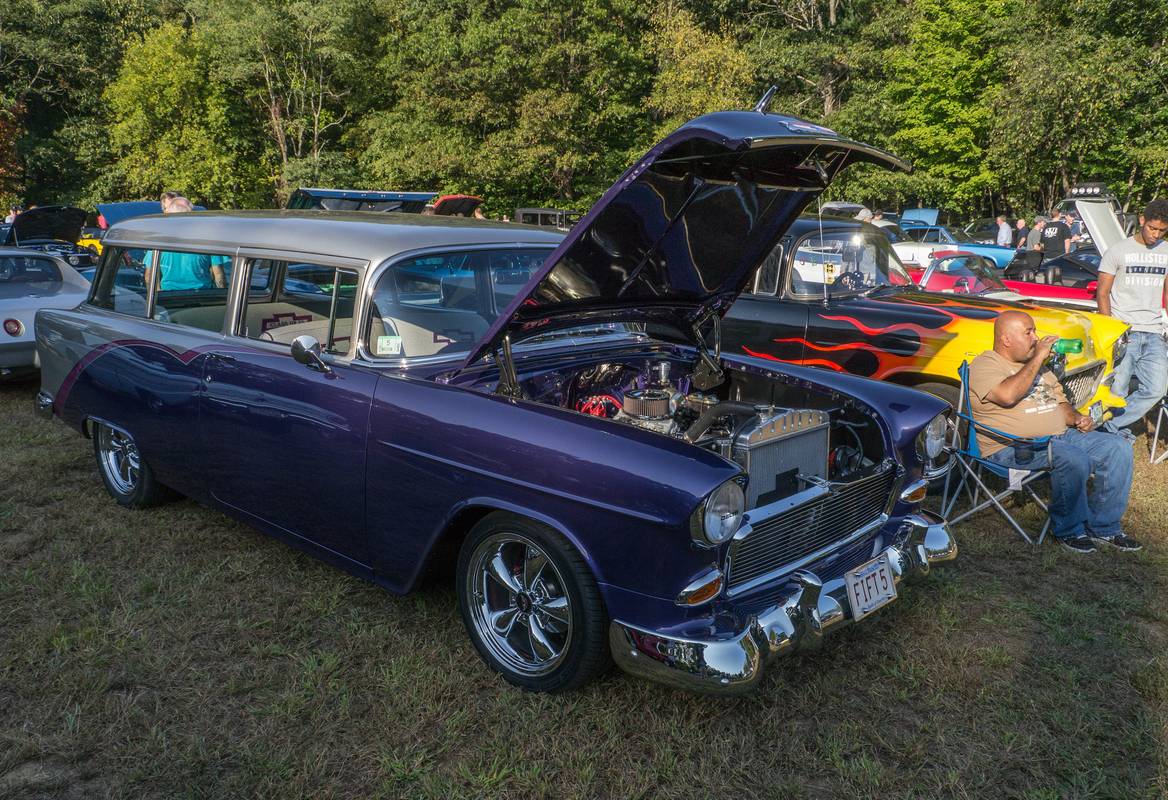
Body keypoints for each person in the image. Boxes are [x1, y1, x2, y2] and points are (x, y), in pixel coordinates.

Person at [969, 309, 1138, 553]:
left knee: (1118, 447)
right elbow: (1007, 396)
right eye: (1028, 332)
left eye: (1034, 331)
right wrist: (1038, 358)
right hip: (1014, 447)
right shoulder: (985, 364)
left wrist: (1076, 418)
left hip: (1059, 437)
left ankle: (1105, 527)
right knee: (1071, 458)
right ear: (1006, 339)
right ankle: (1070, 530)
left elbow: (1060, 402)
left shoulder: (1039, 368)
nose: (1036, 338)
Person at [1096, 199, 1168, 430]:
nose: (1156, 235)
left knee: (1157, 389)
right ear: (1141, 221)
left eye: (1162, 231)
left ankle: (1109, 427)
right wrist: (1111, 331)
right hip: (1124, 330)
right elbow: (1103, 293)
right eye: (1152, 228)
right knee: (1116, 389)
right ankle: (1105, 435)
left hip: (1154, 332)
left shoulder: (1166, 251)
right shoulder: (1118, 250)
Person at [145, 196, 228, 290]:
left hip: (169, 298)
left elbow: (149, 275)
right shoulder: (207, 239)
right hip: (202, 297)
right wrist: (221, 296)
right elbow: (218, 274)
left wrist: (157, 297)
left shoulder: (159, 240)